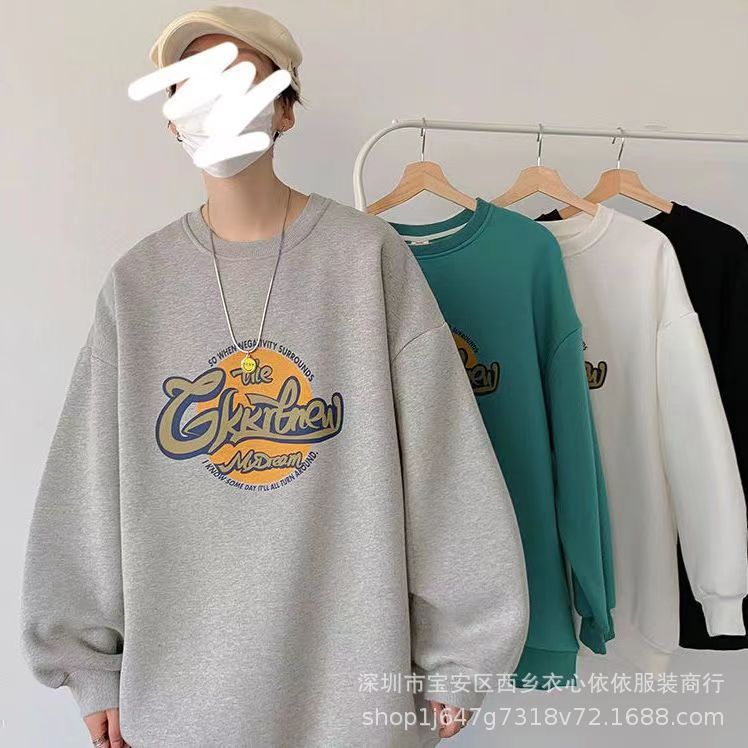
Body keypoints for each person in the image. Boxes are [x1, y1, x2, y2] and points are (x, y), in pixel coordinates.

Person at [19, 6, 529, 746]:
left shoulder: (366, 259)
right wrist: (89, 664)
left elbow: (443, 463)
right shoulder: (139, 285)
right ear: (171, 119)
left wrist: (461, 655)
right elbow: (88, 482)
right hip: (184, 703)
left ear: (286, 108)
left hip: (351, 698)